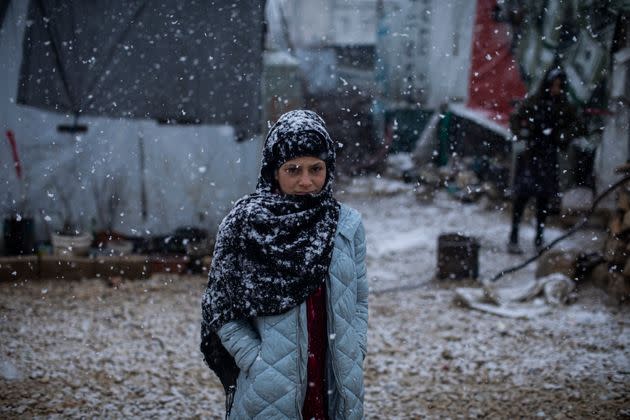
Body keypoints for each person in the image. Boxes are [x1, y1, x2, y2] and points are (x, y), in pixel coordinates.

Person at [201, 110, 368, 419]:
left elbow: (359, 298)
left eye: (316, 168)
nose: (306, 181)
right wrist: (256, 360)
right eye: (293, 169)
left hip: (335, 380)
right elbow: (220, 308)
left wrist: (354, 348)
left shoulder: (347, 225)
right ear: (273, 171)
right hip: (270, 387)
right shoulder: (245, 225)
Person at [507, 67, 585, 254]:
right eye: (553, 85)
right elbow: (516, 117)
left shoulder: (564, 106)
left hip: (549, 155)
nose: (556, 89)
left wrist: (563, 137)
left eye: (559, 86)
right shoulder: (535, 101)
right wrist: (522, 133)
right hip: (531, 153)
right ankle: (514, 237)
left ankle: (539, 238)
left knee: (543, 200)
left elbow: (578, 126)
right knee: (522, 198)